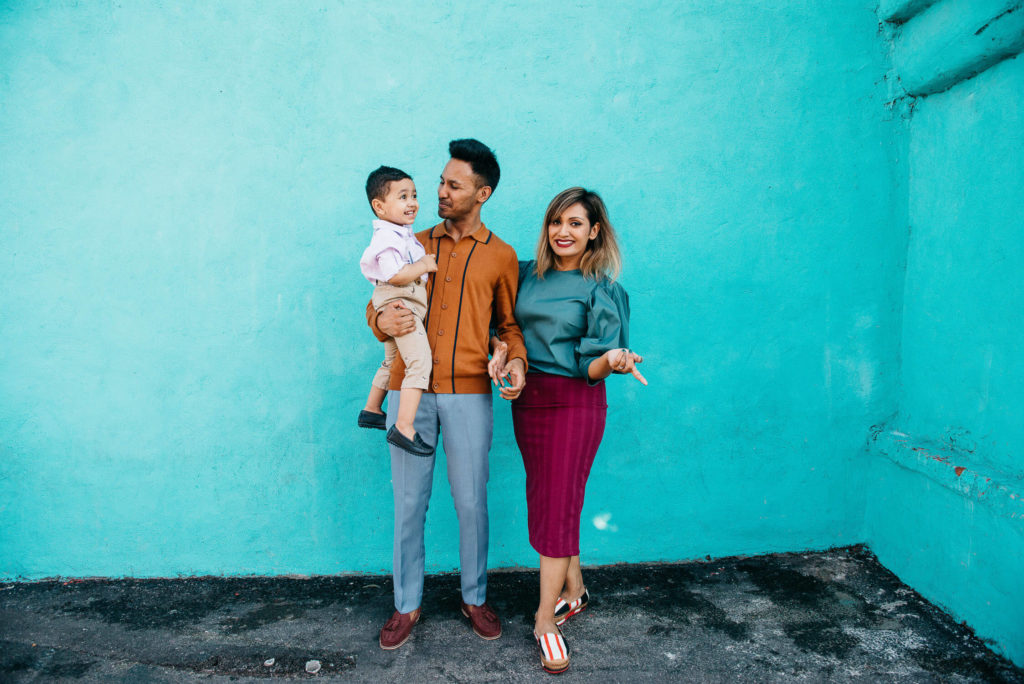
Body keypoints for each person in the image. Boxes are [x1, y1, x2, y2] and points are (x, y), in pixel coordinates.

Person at [365, 139, 528, 650]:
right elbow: (382, 299)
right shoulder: (412, 243)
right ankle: (406, 605)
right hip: (408, 395)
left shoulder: (501, 256)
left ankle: (474, 597)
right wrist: (376, 320)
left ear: (482, 193)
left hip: (471, 395)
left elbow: (509, 325)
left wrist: (516, 363)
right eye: (439, 181)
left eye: (452, 185)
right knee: (408, 502)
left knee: (472, 502)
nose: (439, 192)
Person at [489, 187, 646, 674]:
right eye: (557, 222)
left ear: (594, 231)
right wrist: (505, 360)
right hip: (528, 402)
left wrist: (614, 360)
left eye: (576, 223)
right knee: (551, 497)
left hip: (575, 403)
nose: (564, 232)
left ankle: (544, 621)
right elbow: (503, 328)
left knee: (558, 501)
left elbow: (590, 367)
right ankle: (574, 590)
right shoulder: (522, 273)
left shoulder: (603, 288)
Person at [357, 166, 438, 456]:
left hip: (397, 300)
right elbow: (396, 274)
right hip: (401, 302)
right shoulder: (387, 237)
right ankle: (404, 425)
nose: (412, 202)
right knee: (419, 363)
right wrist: (424, 266)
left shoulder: (401, 234)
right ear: (379, 206)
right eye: (403, 196)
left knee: (392, 362)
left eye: (414, 195)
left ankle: (371, 409)